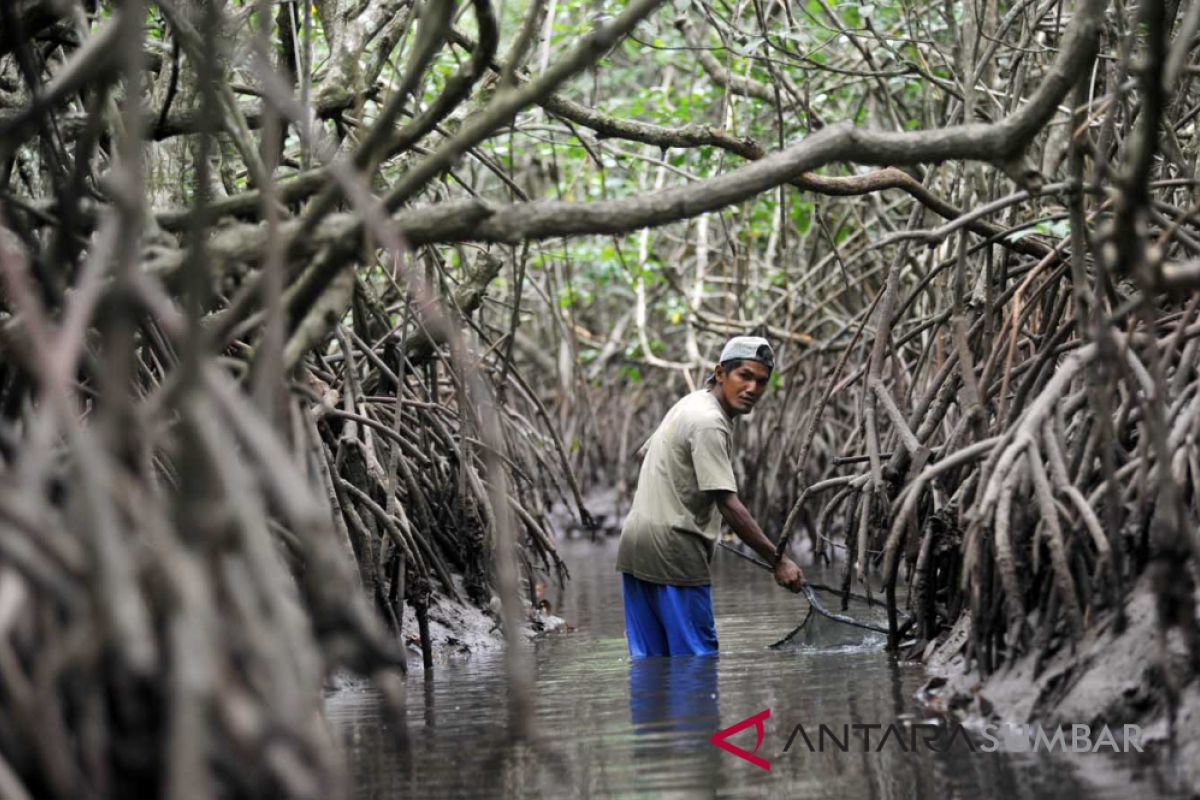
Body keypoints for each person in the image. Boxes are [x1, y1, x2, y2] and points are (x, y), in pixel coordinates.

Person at [615, 336, 806, 658]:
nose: (753, 389)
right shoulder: (710, 423)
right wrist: (778, 561)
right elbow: (728, 504)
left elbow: (642, 454)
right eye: (744, 376)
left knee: (650, 661)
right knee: (697, 658)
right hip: (675, 551)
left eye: (761, 381)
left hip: (636, 543)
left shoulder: (689, 404)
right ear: (720, 373)